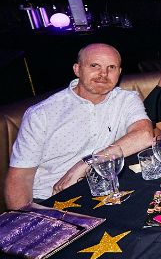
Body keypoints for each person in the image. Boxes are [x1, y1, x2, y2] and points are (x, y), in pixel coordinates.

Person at [5, 44, 153, 209]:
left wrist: (87, 163)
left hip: (103, 192)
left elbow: (144, 135)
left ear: (119, 72)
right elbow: (20, 177)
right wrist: (27, 218)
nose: (103, 74)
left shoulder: (126, 100)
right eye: (94, 66)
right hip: (52, 199)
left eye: (111, 67)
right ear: (77, 69)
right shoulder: (42, 114)